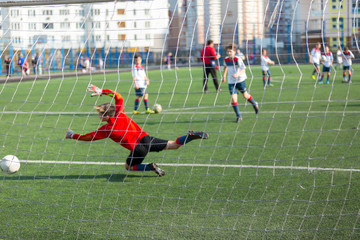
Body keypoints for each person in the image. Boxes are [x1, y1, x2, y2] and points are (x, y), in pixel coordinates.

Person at [66, 85, 209, 177]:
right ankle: (189, 136)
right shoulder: (120, 112)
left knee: (129, 167)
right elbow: (118, 96)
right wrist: (101, 91)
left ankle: (149, 167)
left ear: (107, 116)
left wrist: (73, 136)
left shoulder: (107, 129)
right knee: (174, 145)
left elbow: (88, 137)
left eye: (100, 113)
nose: (98, 115)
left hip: (138, 149)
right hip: (146, 139)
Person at [222, 45, 259, 123]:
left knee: (245, 96)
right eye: (228, 51)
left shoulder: (237, 59)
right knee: (233, 99)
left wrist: (237, 74)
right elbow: (225, 67)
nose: (229, 53)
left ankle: (254, 103)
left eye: (230, 51)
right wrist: (224, 76)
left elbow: (243, 69)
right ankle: (238, 116)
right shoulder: (226, 59)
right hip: (231, 82)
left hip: (240, 80)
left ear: (234, 52)